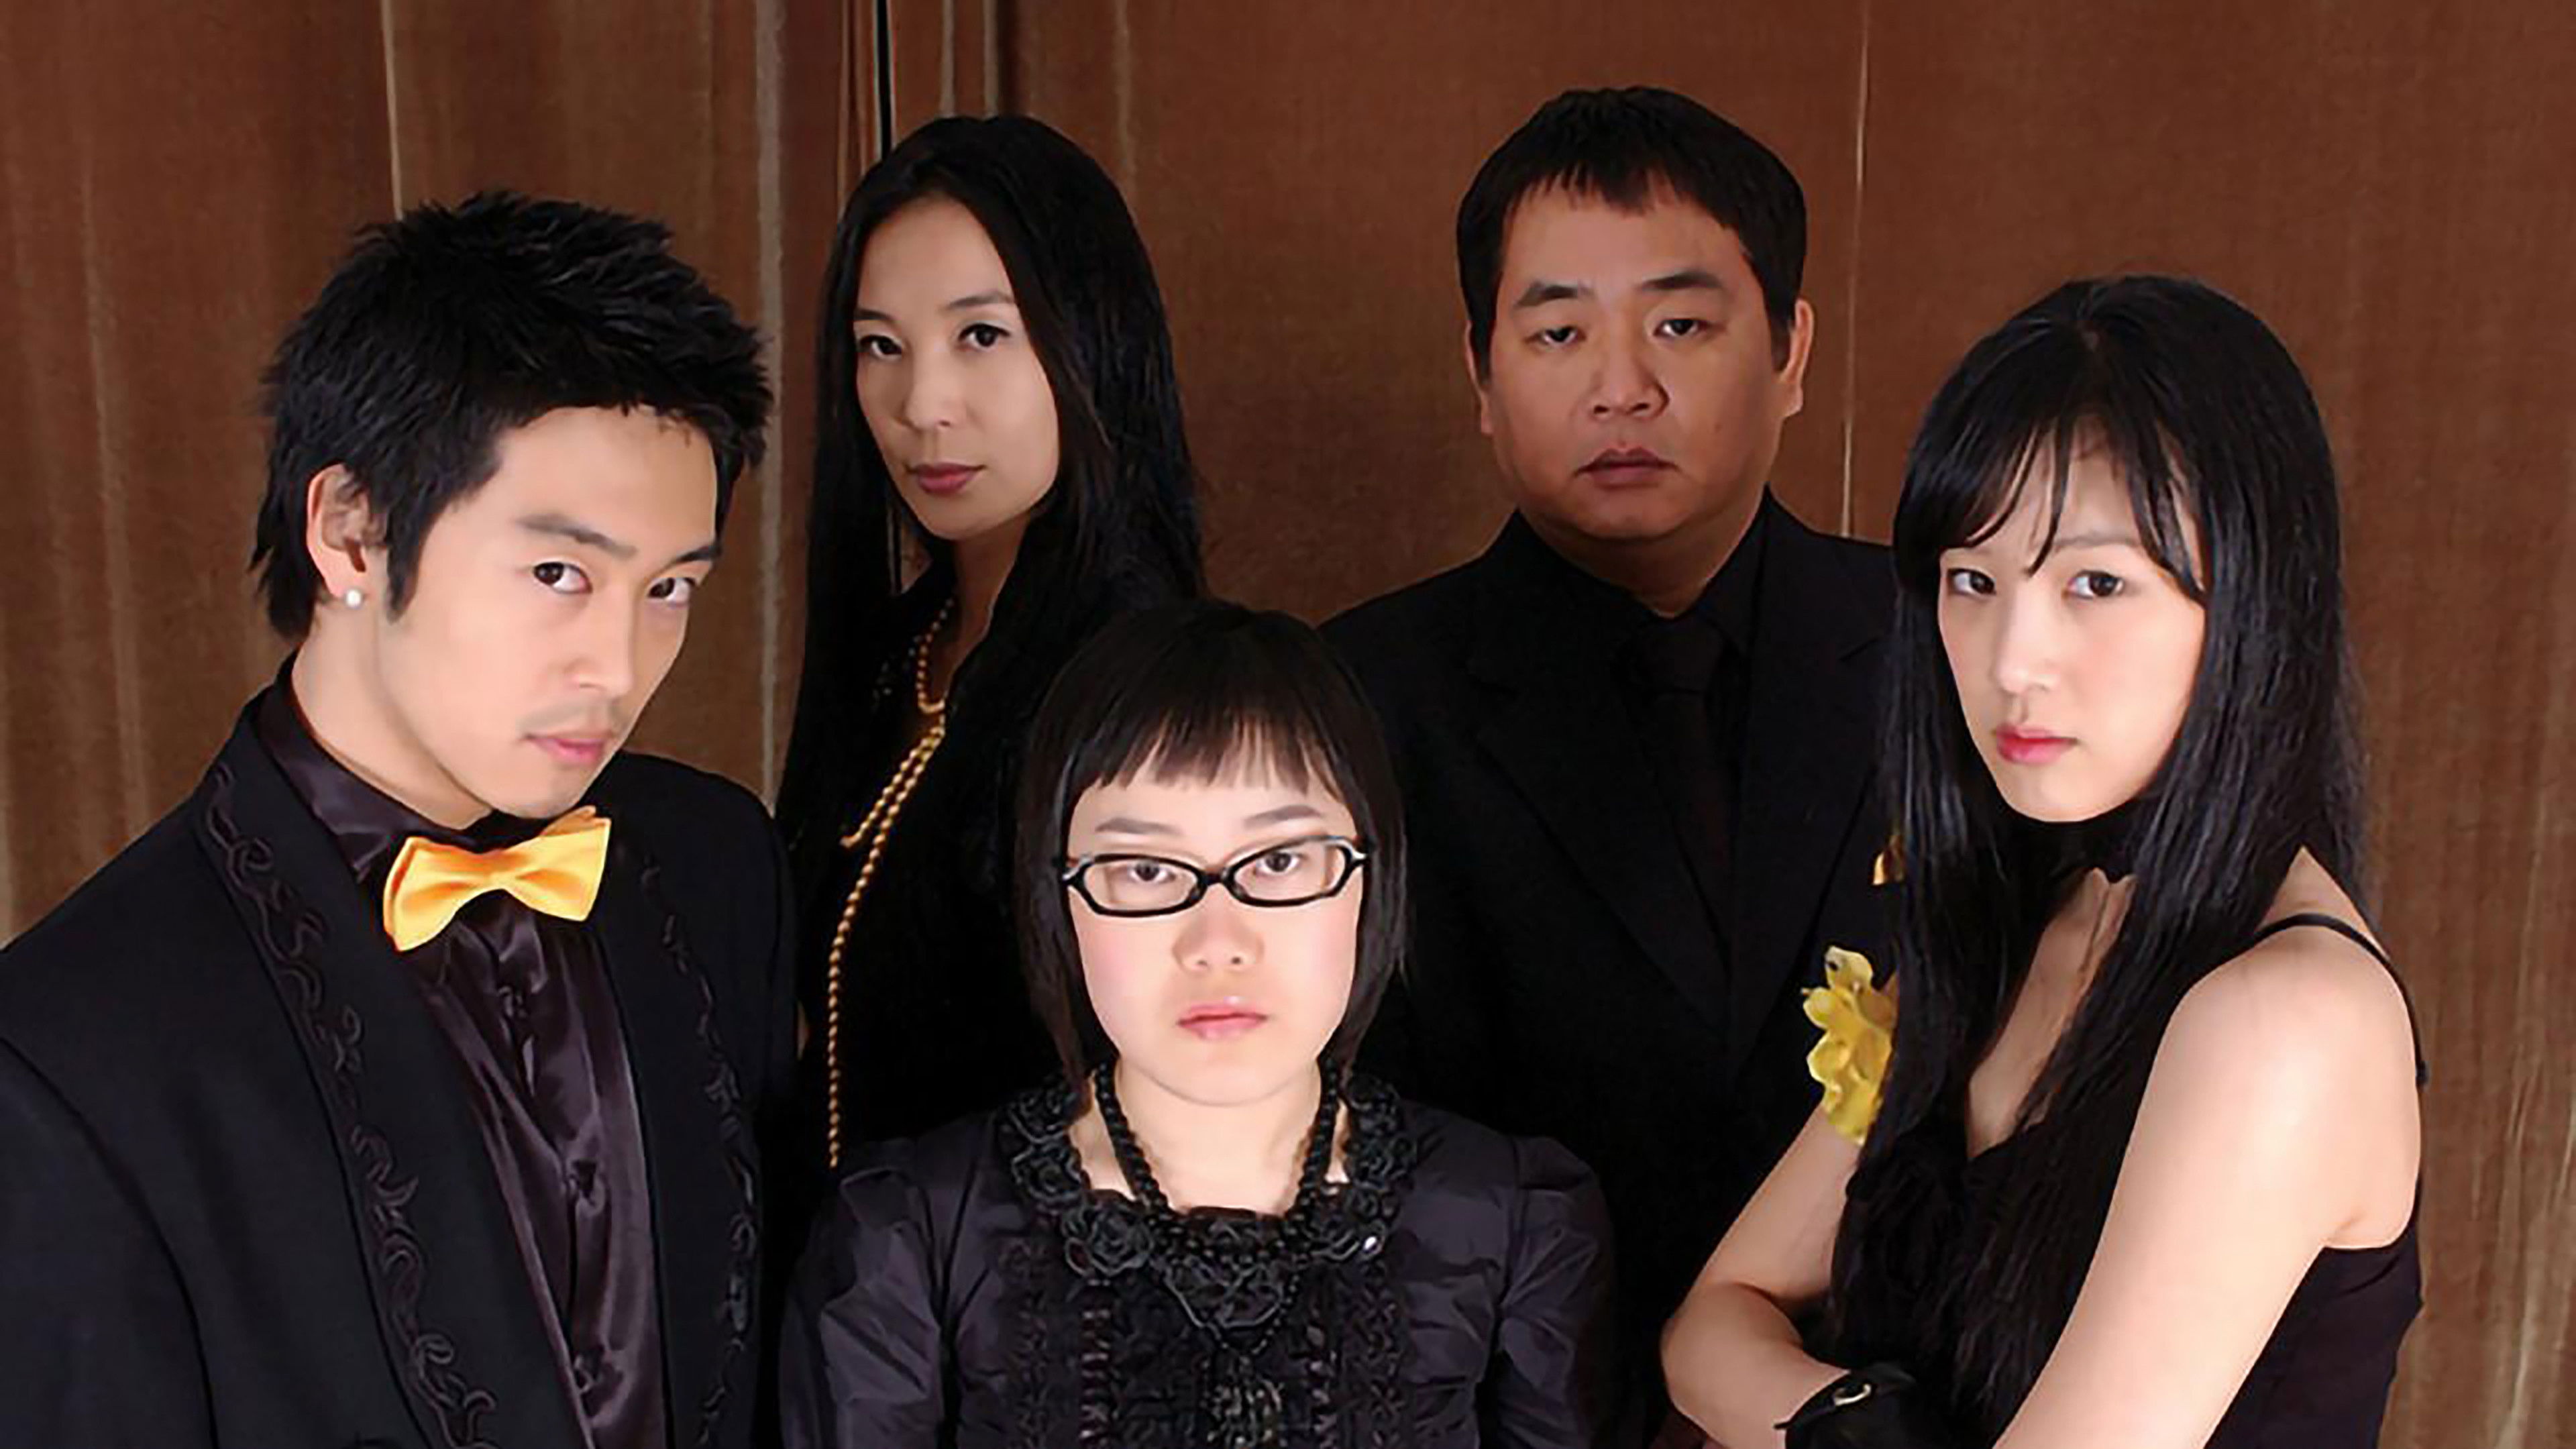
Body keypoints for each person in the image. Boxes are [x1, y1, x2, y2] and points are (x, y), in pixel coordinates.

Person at [0, 193, 792, 1447]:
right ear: (352, 533)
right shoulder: (66, 1050)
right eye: (560, 574)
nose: (620, 665)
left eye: (671, 589)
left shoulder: (717, 862)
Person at [1661, 276, 2422, 1448]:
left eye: (2096, 584)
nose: (2014, 660)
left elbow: (1738, 1356)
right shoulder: (2015, 929)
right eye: (1973, 581)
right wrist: (1858, 1421)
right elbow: (1710, 1325)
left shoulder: (2286, 1020)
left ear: (2258, 601)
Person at [1324, 85, 1895, 1401]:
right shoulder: (1354, 700)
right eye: (1558, 331)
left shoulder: (1952, 652)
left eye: (1681, 325)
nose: (1622, 388)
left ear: (1791, 351)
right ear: (1482, 374)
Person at [781, 602, 1621, 1447]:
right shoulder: (911, 1234)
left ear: (1374, 879)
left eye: (1282, 860)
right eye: (1145, 869)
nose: (1218, 942)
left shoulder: (1516, 1226)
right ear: (1058, 896)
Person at [774, 115, 1203, 1179]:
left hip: (1017, 1271)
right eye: (881, 347)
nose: (922, 406)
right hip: (846, 1264)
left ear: (1091, 340)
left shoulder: (1147, 689)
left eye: (981, 336)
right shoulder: (898, 652)